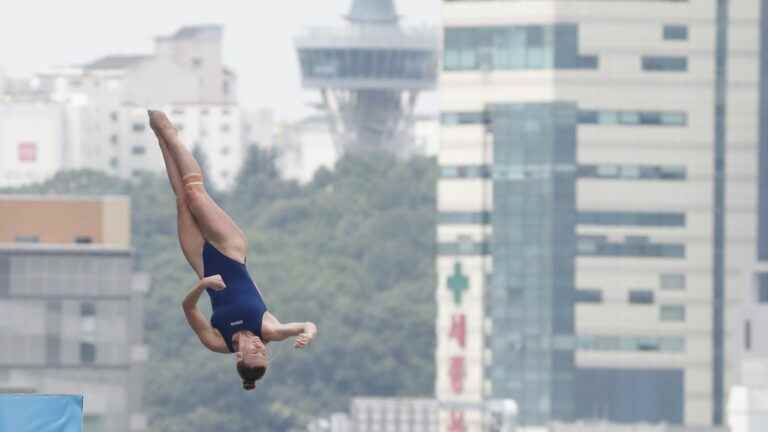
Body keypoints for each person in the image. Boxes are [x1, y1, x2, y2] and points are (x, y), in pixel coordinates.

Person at [148, 110, 317, 391]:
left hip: (202, 262)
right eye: (264, 352)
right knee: (194, 193)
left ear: (239, 356)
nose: (261, 347)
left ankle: (161, 140)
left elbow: (188, 308)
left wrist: (203, 284)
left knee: (181, 202)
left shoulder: (218, 342)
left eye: (256, 353)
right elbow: (305, 325)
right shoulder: (269, 330)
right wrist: (308, 334)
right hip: (230, 249)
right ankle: (171, 135)